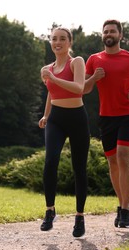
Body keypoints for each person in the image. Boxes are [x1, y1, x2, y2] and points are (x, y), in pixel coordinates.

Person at [84, 19, 129, 228]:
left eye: (112, 31)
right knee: (113, 163)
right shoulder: (94, 59)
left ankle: (125, 211)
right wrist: (93, 78)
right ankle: (123, 204)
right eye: (105, 31)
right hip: (106, 117)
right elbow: (85, 89)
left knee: (124, 157)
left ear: (120, 35)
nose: (108, 34)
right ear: (102, 35)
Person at [39, 27, 90, 237]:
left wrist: (52, 77)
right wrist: (45, 114)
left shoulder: (76, 61)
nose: (57, 42)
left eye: (62, 39)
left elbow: (79, 88)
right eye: (54, 39)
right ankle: (50, 210)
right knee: (51, 161)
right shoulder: (46, 68)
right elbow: (52, 93)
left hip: (77, 118)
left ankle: (79, 217)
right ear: (50, 42)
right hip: (56, 120)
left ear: (70, 42)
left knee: (79, 168)